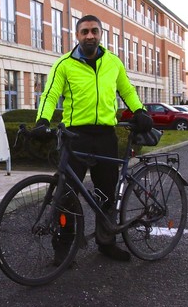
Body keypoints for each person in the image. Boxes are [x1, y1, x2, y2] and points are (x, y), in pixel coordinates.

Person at [34, 14, 153, 264]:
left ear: (100, 35)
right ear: (77, 36)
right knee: (66, 196)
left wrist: (140, 110)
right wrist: (42, 121)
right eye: (85, 31)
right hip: (75, 136)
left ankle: (106, 242)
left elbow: (127, 89)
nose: (90, 35)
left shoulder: (113, 62)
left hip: (106, 137)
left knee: (106, 194)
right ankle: (64, 250)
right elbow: (50, 93)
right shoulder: (64, 64)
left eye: (94, 31)